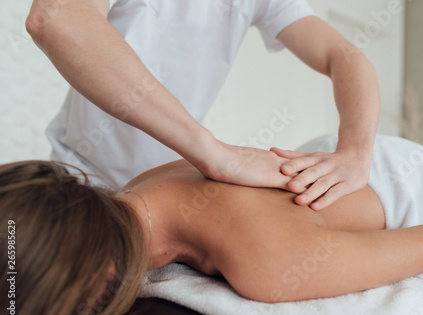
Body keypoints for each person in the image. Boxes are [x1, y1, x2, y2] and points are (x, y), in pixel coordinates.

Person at [1, 133, 423, 315]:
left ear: (99, 273)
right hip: (316, 161)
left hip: (411, 182)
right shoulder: (141, 191)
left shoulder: (268, 264)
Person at [25, 0, 380, 210]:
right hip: (80, 186)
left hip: (162, 196)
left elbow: (344, 56)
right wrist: (215, 153)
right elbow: (53, 17)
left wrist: (356, 152)